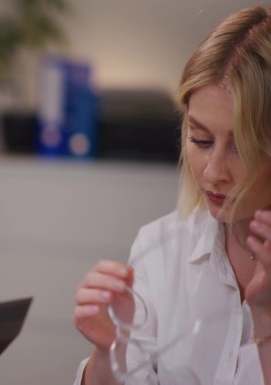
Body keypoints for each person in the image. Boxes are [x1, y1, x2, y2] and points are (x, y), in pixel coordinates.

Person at [73, 6, 271, 385]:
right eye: (200, 140)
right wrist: (109, 352)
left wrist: (265, 321)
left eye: (241, 147)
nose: (213, 172)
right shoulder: (161, 247)